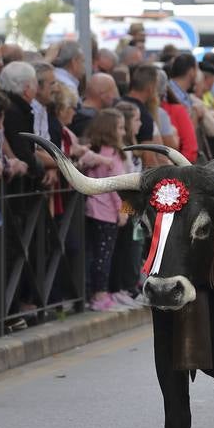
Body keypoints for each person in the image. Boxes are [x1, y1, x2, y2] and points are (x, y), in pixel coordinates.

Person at [79, 110, 130, 313]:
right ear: (109, 130)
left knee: (95, 254)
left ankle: (95, 292)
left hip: (93, 208)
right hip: (107, 212)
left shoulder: (95, 152)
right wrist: (124, 211)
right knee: (104, 255)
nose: (123, 132)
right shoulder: (113, 154)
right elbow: (117, 186)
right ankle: (99, 294)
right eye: (120, 128)